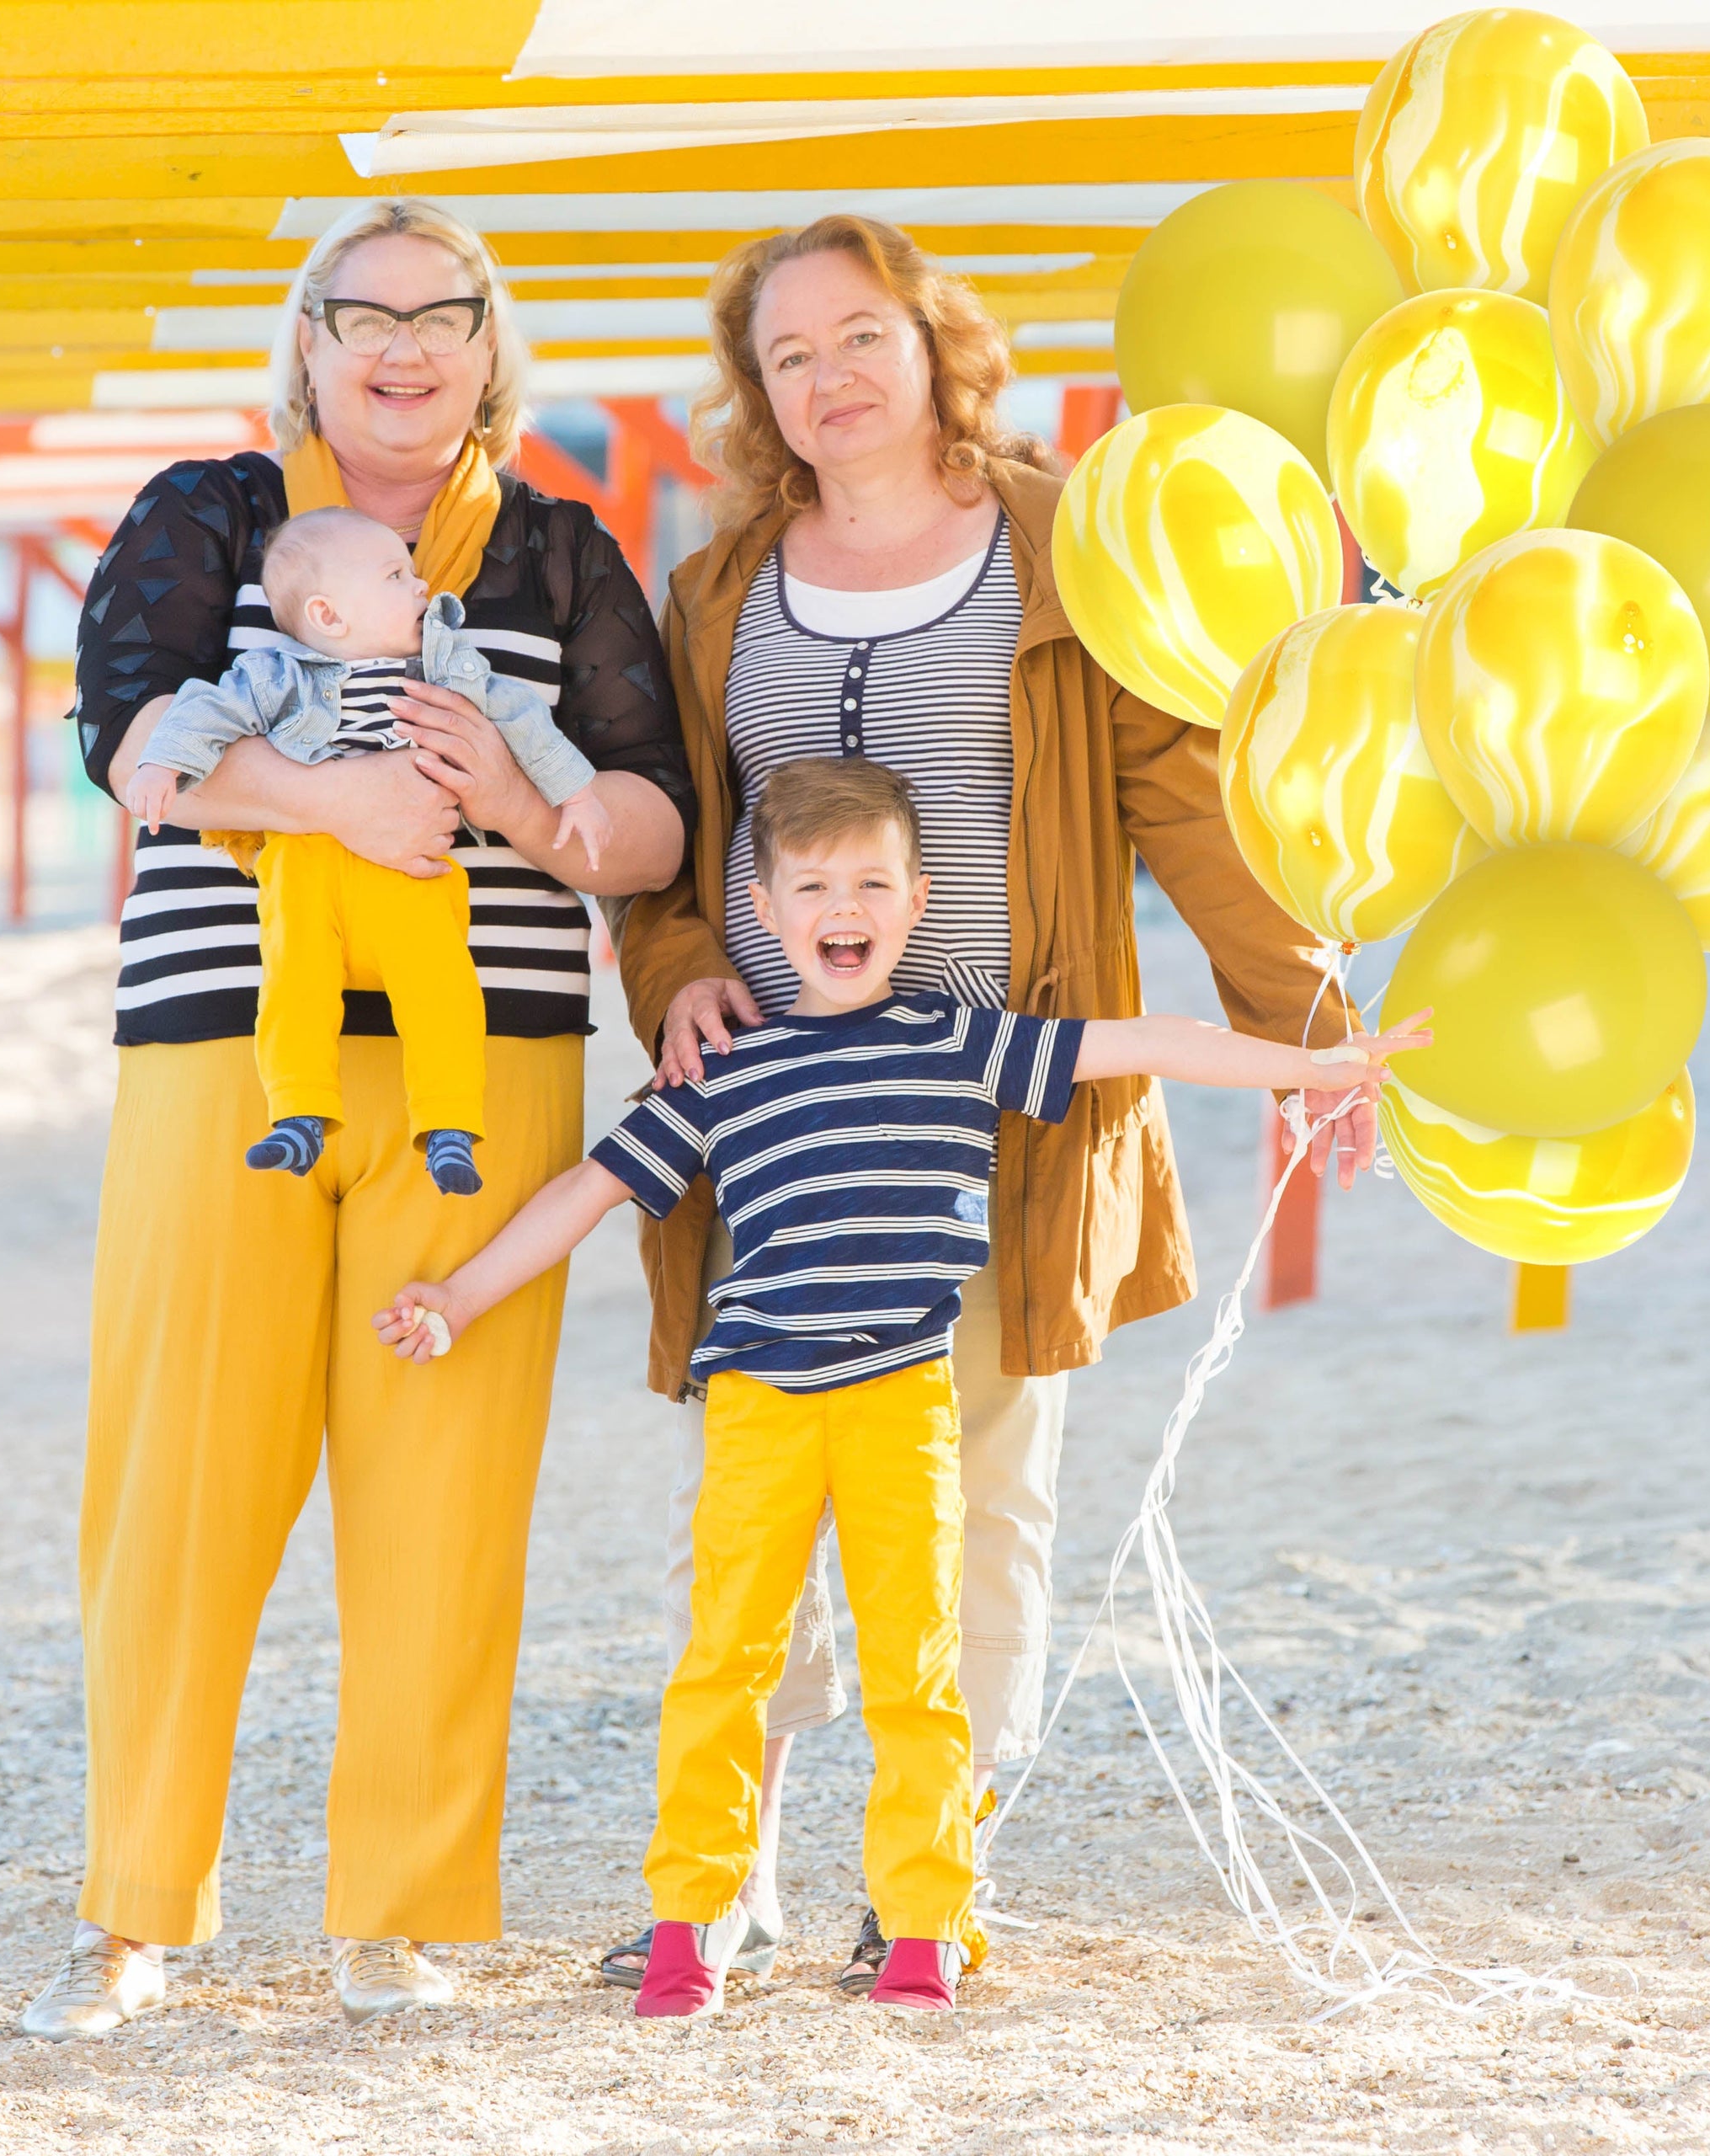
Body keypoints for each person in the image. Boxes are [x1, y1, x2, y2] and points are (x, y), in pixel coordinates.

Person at [606, 215, 1375, 1993]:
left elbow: (1180, 796)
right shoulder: (716, 587)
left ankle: (935, 1871)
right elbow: (661, 846)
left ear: (933, 340)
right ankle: (732, 1874)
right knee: (761, 1479)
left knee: (981, 1477)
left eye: (859, 333)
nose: (829, 375)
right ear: (761, 394)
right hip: (777, 1116)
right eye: (790, 354)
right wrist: (671, 983)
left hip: (1007, 1096)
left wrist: (1303, 1016)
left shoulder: (1061, 545)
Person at [378, 759, 1424, 2017]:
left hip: (901, 1404)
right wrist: (460, 1295)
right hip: (758, 1407)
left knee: (914, 1668)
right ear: (764, 910)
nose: (845, 905)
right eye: (814, 884)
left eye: (873, 881)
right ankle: (689, 1923)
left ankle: (926, 1924)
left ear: (918, 901)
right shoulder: (725, 1073)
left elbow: (1142, 1041)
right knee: (724, 1665)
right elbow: (586, 1194)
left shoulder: (956, 1040)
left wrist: (1308, 1066)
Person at [21, 197, 693, 2039]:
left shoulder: (560, 553)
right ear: (305, 341)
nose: (403, 346)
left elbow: (653, 816)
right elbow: (125, 728)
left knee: (448, 1487)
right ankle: (134, 1911)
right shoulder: (212, 513)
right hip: (228, 1045)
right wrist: (334, 808)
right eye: (362, 312)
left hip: (494, 1068)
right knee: (181, 1474)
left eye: (442, 313)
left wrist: (526, 810)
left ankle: (396, 1914)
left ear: (492, 346)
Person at [124, 506, 619, 1192]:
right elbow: (205, 710)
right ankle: (297, 1114)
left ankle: (449, 1125)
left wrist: (577, 792)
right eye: (396, 576)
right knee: (294, 985)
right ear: (328, 616)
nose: (420, 588)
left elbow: (522, 717)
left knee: (442, 989)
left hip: (411, 872)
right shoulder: (274, 674)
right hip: (306, 868)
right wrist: (160, 764)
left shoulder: (447, 667)